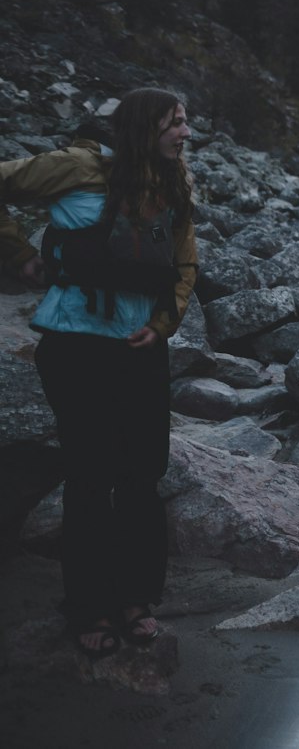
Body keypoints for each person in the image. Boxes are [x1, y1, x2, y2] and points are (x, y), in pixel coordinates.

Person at [0, 89, 198, 659]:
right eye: (174, 122)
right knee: (90, 475)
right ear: (142, 127)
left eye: (185, 123)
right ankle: (87, 608)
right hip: (76, 344)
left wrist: (163, 323)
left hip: (140, 347)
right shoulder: (77, 166)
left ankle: (136, 599)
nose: (185, 133)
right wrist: (18, 255)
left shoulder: (173, 182)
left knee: (142, 475)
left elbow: (185, 263)